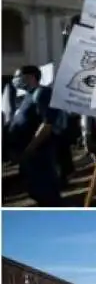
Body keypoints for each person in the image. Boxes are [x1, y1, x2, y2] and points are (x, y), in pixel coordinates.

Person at [4, 65, 62, 206]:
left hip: (39, 155)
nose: (15, 80)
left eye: (18, 76)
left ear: (30, 77)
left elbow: (47, 125)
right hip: (29, 156)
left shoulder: (42, 93)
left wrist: (30, 149)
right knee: (35, 191)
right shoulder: (28, 95)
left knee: (46, 194)